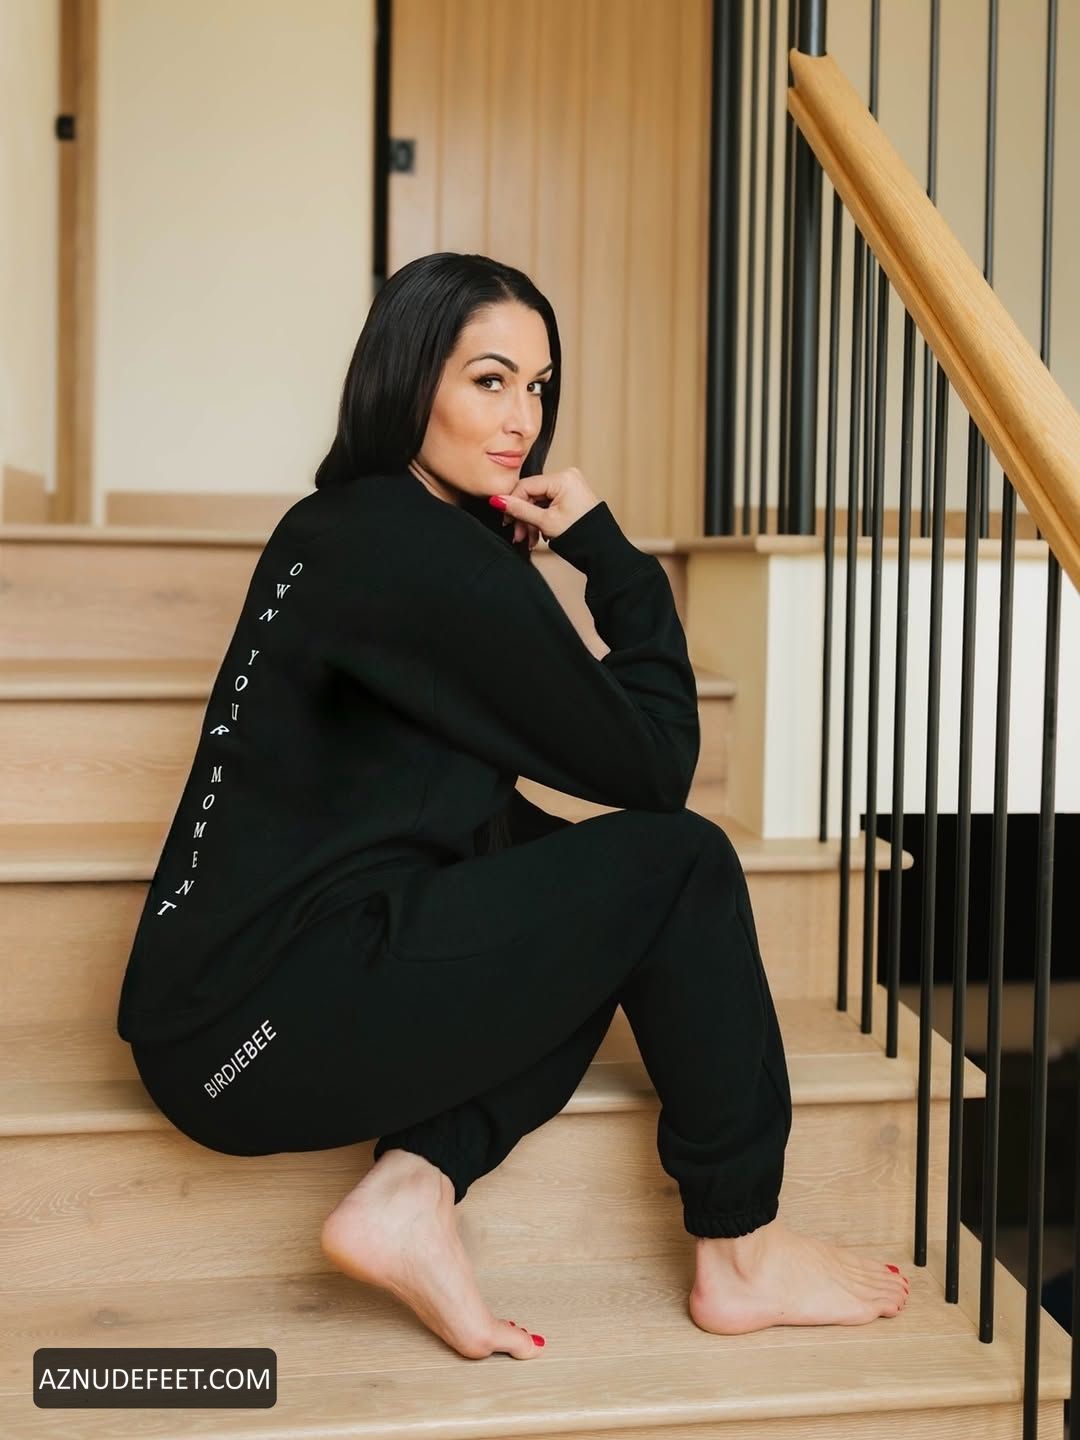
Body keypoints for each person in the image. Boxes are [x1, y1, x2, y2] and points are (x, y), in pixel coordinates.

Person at [117, 252, 910, 1362]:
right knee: (677, 863)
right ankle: (741, 1251)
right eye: (489, 381)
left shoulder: (340, 525)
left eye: (537, 387)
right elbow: (657, 770)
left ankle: (414, 1188)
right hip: (250, 1042)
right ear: (408, 378)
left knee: (566, 879)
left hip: (220, 1020)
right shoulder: (427, 555)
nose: (522, 421)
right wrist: (607, 556)